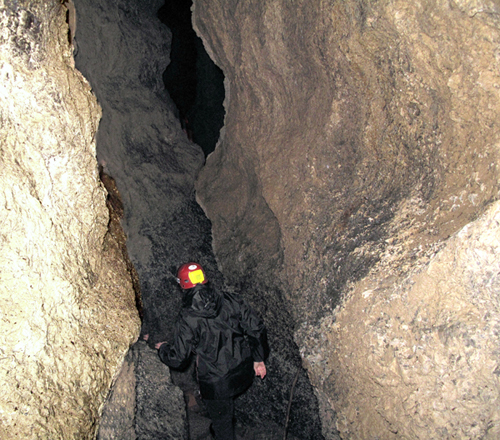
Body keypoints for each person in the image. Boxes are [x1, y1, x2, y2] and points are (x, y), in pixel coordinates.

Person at [155, 262, 269, 440]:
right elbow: (257, 329)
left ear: (183, 285)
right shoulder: (231, 299)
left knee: (222, 425)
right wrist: (258, 359)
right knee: (224, 414)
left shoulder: (188, 317)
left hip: (217, 384)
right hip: (243, 372)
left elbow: (178, 359)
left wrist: (163, 349)